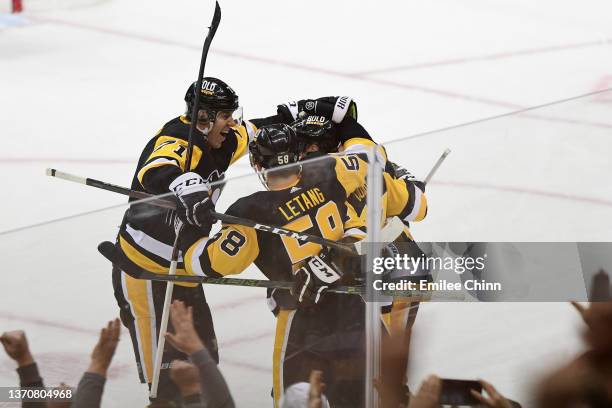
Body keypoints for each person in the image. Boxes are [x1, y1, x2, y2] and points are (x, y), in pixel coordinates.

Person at [178, 123, 423, 407]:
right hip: (357, 313)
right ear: (299, 155)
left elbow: (205, 264)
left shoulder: (249, 211)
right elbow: (361, 226)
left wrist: (191, 225)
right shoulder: (333, 173)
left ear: (258, 164)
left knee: (296, 401)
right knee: (377, 398)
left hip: (301, 322)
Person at [113, 76, 256, 402]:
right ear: (203, 119)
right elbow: (157, 169)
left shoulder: (224, 139)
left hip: (183, 271)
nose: (232, 122)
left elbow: (255, 130)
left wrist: (303, 115)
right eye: (225, 115)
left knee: (204, 366)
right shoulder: (177, 140)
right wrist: (182, 184)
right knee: (166, 386)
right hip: (146, 274)